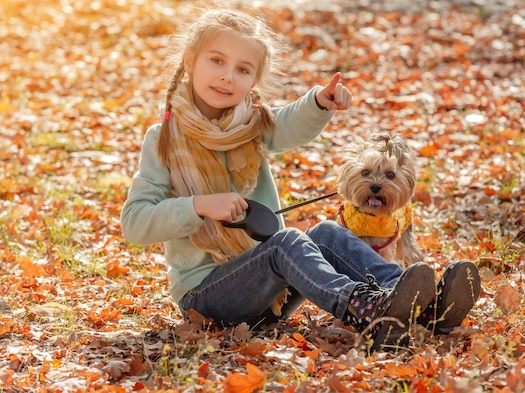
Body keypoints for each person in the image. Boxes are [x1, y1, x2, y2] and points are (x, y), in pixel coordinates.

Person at [120, 5, 481, 351]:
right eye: (216, 60)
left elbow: (287, 125)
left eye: (243, 69)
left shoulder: (251, 123)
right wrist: (198, 206)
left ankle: (420, 304)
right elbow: (135, 224)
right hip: (206, 297)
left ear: (254, 80)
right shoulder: (162, 139)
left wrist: (319, 103)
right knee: (285, 242)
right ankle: (364, 309)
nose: (228, 75)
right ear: (189, 61)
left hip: (267, 291)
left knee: (324, 233)